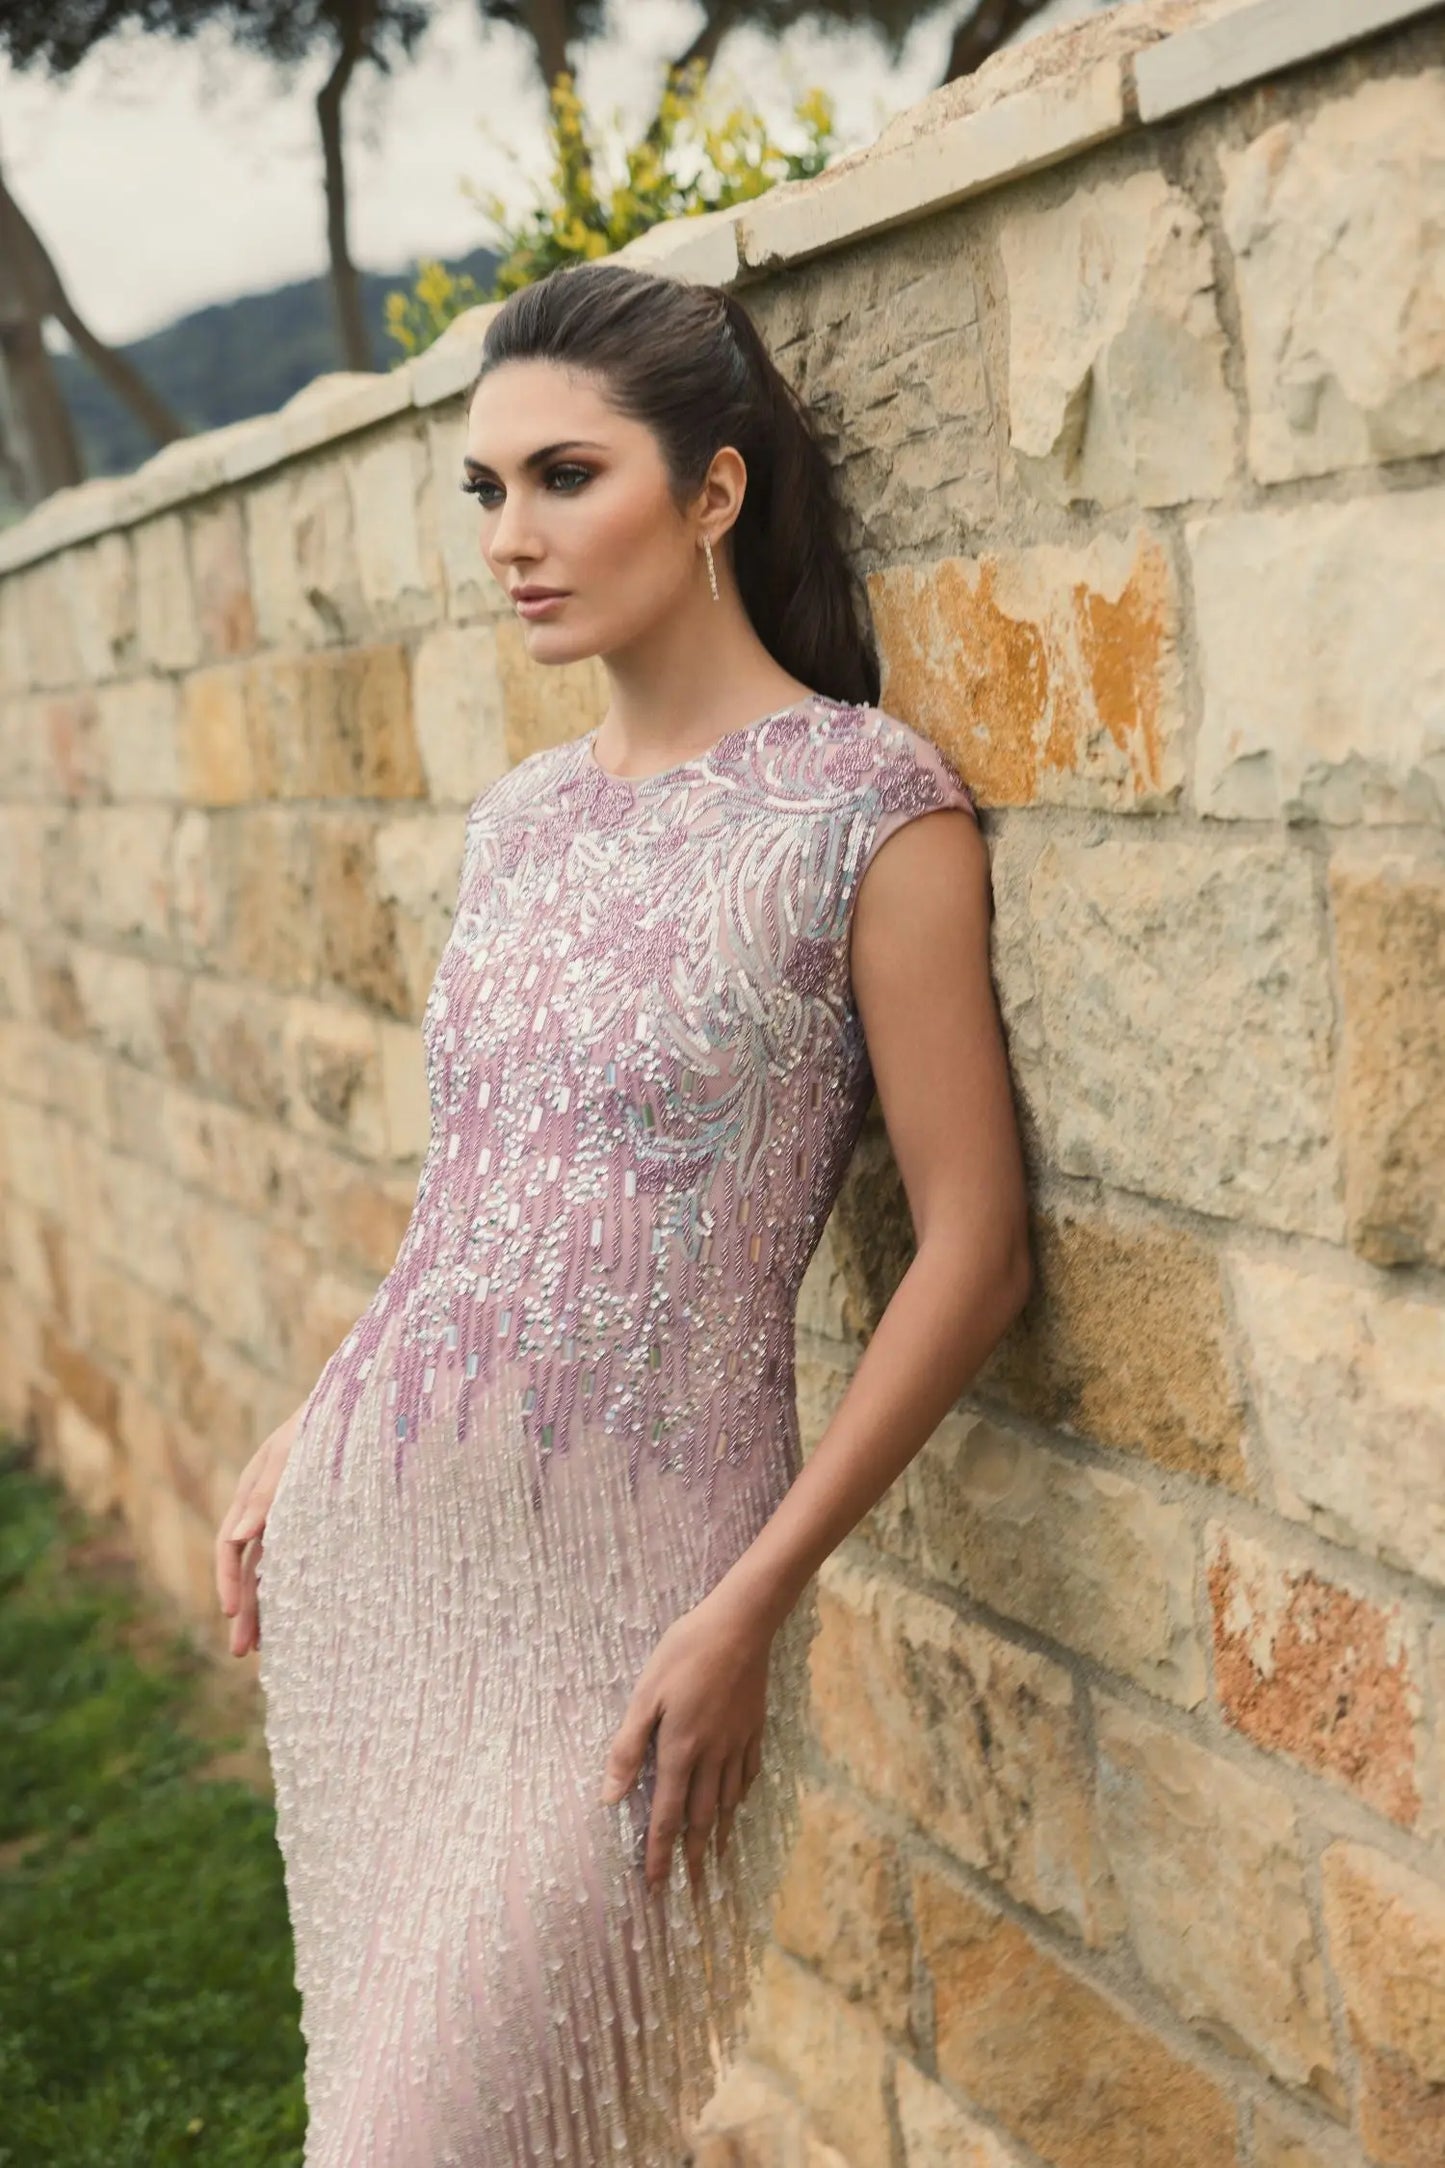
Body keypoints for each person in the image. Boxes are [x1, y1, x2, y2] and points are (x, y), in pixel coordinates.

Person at [214, 258, 1030, 2167]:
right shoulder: (519, 821)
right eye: (485, 490)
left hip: (646, 1611)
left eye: (564, 478)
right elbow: (479, 1193)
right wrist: (309, 1419)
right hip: (393, 1568)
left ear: (713, 490)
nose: (511, 537)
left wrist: (751, 1603)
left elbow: (976, 1251)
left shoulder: (867, 813)